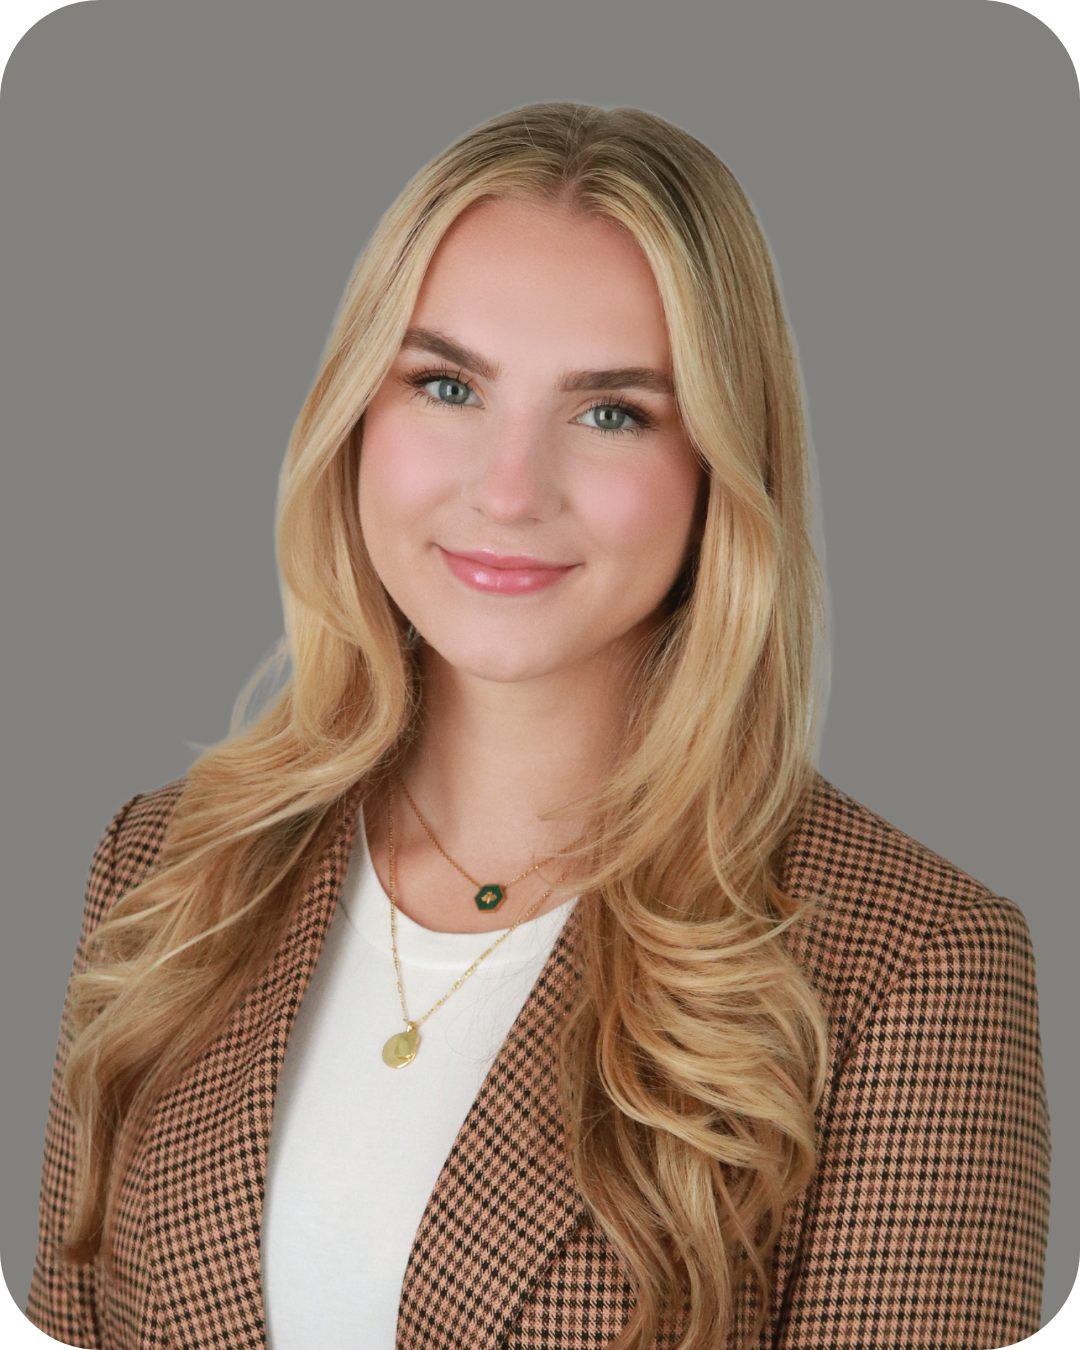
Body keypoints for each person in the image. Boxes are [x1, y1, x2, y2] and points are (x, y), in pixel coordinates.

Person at [25, 103, 1049, 1350]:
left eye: (610, 410)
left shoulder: (912, 971)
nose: (508, 490)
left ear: (720, 467)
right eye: (446, 385)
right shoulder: (170, 868)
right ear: (354, 419)